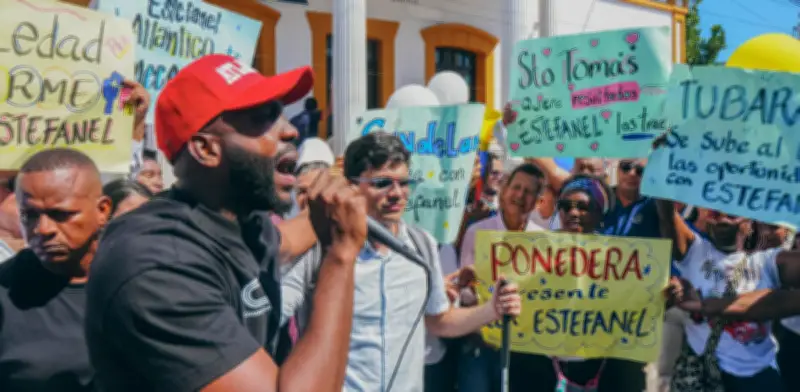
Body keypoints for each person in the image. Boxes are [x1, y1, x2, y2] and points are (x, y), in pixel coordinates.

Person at [85, 55, 367, 392]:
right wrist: (340, 254)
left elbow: (286, 242)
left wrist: (350, 201)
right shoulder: (154, 264)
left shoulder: (241, 219)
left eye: (280, 112)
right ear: (206, 148)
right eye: (263, 117)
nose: (290, 129)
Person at [282, 132, 522, 392]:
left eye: (404, 183)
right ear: (350, 187)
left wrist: (492, 310)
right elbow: (270, 313)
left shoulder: (421, 246)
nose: (396, 193)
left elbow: (438, 320)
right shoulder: (322, 250)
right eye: (383, 183)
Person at [0, 149, 112, 392]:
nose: (42, 229)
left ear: (102, 211)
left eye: (60, 214)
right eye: (29, 216)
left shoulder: (141, 282)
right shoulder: (5, 291)